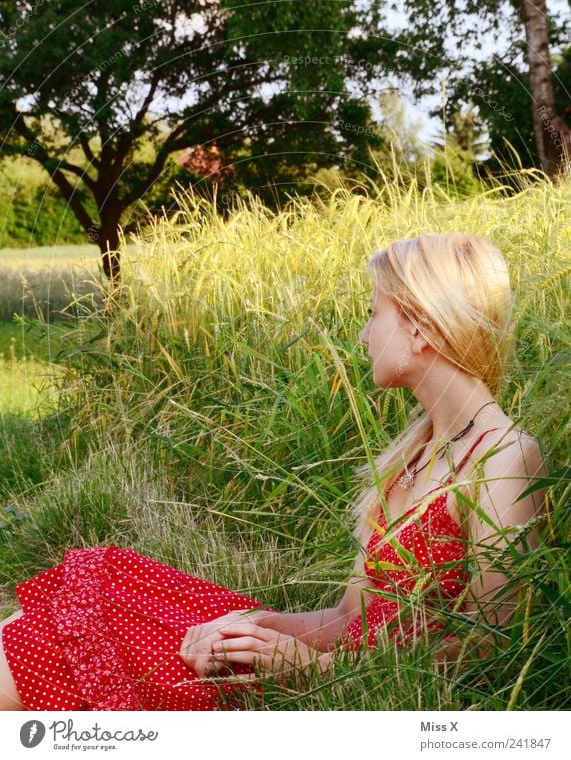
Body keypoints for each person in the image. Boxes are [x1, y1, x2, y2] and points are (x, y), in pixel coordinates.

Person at [0, 233, 546, 711]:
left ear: (421, 327)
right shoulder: (414, 451)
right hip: (319, 664)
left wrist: (309, 669)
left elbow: (490, 645)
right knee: (114, 587)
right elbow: (349, 618)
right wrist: (256, 629)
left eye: (373, 313)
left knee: (75, 646)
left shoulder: (505, 457)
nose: (362, 335)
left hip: (333, 684)